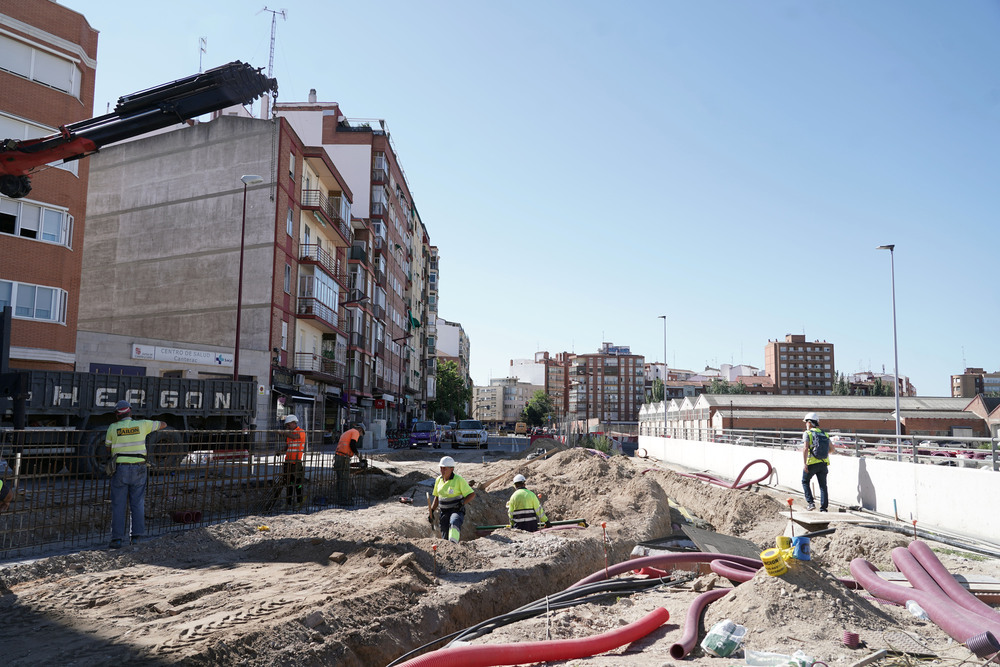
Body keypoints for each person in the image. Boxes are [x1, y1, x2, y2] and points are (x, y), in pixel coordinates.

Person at [105, 400, 166, 549]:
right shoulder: (142, 425)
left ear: (117, 415)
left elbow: (108, 448)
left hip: (120, 469)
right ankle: (137, 538)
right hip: (139, 468)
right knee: (137, 503)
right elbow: (163, 424)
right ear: (130, 412)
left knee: (118, 504)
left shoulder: (113, 428)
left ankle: (117, 540)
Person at [429, 455, 475, 542]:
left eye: (445, 468)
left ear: (452, 469)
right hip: (444, 512)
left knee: (454, 521)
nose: (442, 470)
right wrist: (431, 511)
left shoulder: (459, 480)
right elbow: (437, 497)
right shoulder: (438, 480)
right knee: (444, 530)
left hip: (456, 510)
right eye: (441, 468)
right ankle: (447, 546)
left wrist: (461, 503)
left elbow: (471, 494)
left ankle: (454, 544)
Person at [801, 412, 831, 512]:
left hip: (811, 464)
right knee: (823, 486)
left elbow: (805, 448)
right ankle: (823, 508)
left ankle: (811, 503)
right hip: (823, 463)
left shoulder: (808, 433)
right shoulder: (824, 433)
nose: (805, 424)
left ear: (809, 422)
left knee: (805, 481)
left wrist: (805, 463)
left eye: (806, 422)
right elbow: (832, 449)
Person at [335, 423, 363, 504]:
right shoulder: (355, 432)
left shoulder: (347, 432)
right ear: (360, 430)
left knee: (340, 479)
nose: (360, 435)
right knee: (344, 479)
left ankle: (339, 498)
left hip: (338, 456)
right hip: (344, 457)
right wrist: (358, 455)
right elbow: (352, 444)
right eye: (361, 434)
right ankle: (344, 500)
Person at [282, 414, 306, 509]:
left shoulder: (301, 432)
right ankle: (288, 502)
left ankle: (299, 501)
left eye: (288, 425)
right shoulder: (289, 434)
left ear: (293, 423)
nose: (287, 427)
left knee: (298, 483)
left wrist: (284, 432)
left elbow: (295, 437)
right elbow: (287, 446)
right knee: (289, 483)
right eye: (286, 425)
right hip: (288, 461)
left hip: (296, 462)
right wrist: (281, 451)